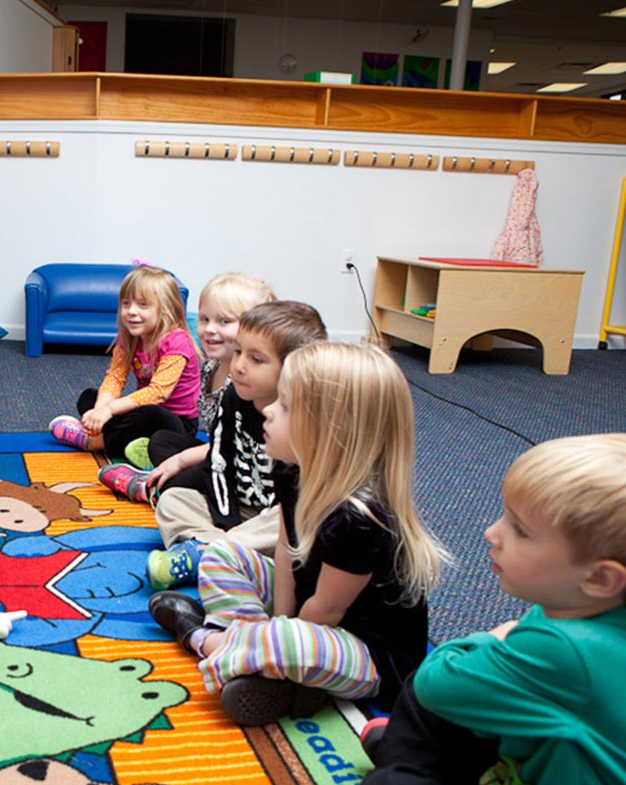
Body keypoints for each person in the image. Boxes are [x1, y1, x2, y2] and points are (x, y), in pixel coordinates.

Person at [149, 342, 447, 726]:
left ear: (331, 430)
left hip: (365, 652)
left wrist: (281, 634)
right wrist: (279, 619)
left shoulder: (360, 519)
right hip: (308, 617)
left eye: (285, 406)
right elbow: (287, 553)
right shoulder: (291, 471)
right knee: (219, 555)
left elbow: (326, 611)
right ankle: (278, 673)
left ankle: (204, 639)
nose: (268, 411)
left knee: (290, 642)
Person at [361, 434, 626, 785]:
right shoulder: (595, 617)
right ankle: (406, 749)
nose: (490, 533)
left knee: (434, 679)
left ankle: (403, 760)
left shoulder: (564, 649)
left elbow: (433, 685)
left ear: (601, 578)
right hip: (542, 744)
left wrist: (493, 637)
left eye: (520, 530)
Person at [100, 301, 326, 591]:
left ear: (294, 368)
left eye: (256, 359)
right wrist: (227, 521)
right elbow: (219, 458)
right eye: (239, 352)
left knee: (294, 521)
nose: (239, 366)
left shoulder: (298, 416)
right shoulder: (233, 397)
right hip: (240, 507)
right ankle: (222, 554)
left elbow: (300, 500)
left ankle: (210, 553)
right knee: (173, 500)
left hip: (275, 517)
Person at [119, 272, 276, 470]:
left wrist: (181, 460)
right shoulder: (211, 367)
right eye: (204, 319)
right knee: (162, 443)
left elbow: (236, 446)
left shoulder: (245, 381)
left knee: (180, 471)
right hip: (216, 450)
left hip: (242, 463)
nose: (210, 329)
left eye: (224, 321)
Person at [49, 264, 200, 461]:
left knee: (150, 414)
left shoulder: (176, 341)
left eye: (143, 305)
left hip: (177, 424)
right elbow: (115, 378)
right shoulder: (129, 337)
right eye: (126, 304)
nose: (131, 311)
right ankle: (135, 446)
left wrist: (109, 410)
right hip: (143, 410)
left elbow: (157, 393)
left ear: (165, 309)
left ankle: (95, 442)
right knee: (89, 397)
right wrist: (99, 410)